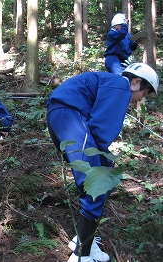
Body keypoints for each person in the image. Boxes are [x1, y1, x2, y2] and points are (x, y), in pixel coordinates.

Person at [46, 63, 159, 262]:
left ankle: (86, 241)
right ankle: (82, 255)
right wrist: (104, 159)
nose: (140, 100)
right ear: (136, 82)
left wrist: (106, 161)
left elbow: (96, 128)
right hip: (70, 113)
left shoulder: (113, 84)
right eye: (144, 94)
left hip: (61, 115)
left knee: (102, 176)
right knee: (96, 179)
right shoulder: (121, 87)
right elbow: (101, 128)